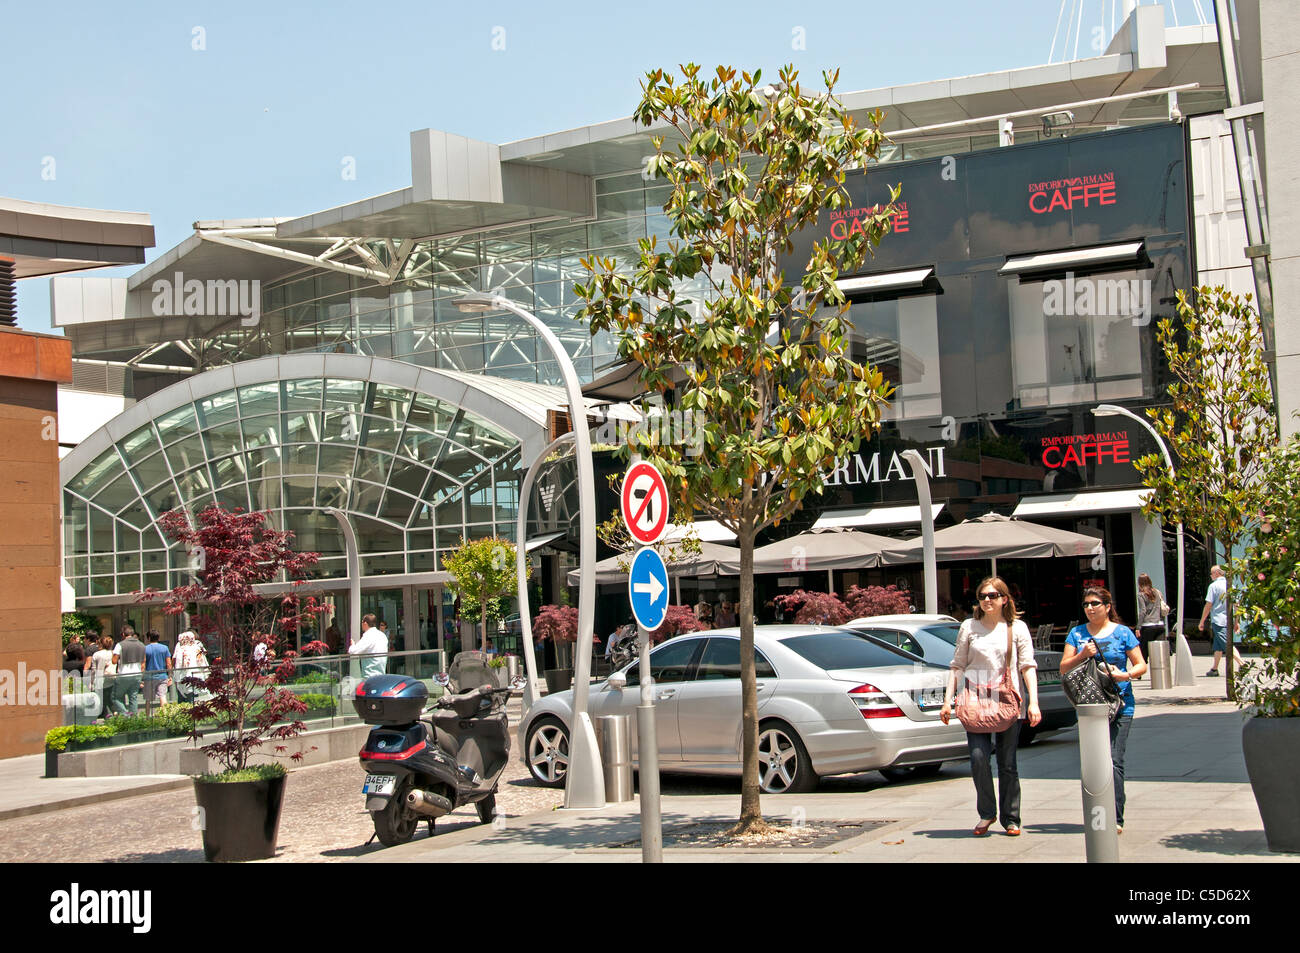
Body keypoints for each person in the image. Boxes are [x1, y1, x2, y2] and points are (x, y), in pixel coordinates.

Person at [940, 576, 1040, 837]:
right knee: (978, 758)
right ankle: (987, 813)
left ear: (1004, 599)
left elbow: (1027, 666)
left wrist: (1034, 702)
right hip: (975, 699)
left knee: (1008, 764)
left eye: (992, 595)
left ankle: (1011, 818)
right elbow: (957, 664)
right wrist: (948, 700)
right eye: (982, 596)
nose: (986, 600)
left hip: (1008, 701)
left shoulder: (1016, 628)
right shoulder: (969, 626)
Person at [1060, 586, 1147, 834]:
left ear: (1107, 606)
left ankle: (1116, 817)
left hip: (1120, 704)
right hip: (1090, 707)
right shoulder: (1076, 634)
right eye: (1086, 604)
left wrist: (1126, 675)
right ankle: (1097, 811)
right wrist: (1081, 655)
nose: (1089, 608)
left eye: (1095, 603)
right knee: (1093, 762)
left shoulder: (1123, 633)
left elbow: (1141, 665)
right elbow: (1064, 668)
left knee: (1114, 760)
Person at [1197, 565, 1241, 676]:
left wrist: (1202, 621)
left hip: (1218, 620)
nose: (1211, 575)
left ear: (1217, 573)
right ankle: (1214, 669)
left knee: (1227, 645)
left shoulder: (1213, 586)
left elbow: (1209, 604)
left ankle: (1243, 664)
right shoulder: (1231, 585)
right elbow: (1237, 606)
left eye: (1211, 573)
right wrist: (1237, 621)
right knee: (1218, 646)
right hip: (1228, 620)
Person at [111, 626, 146, 715]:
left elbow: (114, 661)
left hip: (124, 674)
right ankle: (133, 719)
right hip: (137, 674)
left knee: (115, 697)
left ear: (123, 634)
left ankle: (125, 715)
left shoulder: (120, 644)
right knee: (133, 697)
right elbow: (143, 662)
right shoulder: (141, 644)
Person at [1135, 572, 1170, 656]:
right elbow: (1162, 609)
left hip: (1148, 626)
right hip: (1160, 625)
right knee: (1160, 652)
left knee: (1143, 652)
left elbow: (1143, 611)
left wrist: (1138, 627)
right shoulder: (1157, 592)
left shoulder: (1141, 595)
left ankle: (1143, 667)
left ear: (1139, 583)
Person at [349, 612, 389, 678]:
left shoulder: (368, 636)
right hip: (381, 674)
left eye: (362, 622)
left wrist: (352, 645)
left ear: (365, 623)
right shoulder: (382, 635)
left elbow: (353, 652)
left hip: (370, 676)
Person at [84, 635, 116, 717]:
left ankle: (104, 715)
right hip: (111, 678)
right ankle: (114, 713)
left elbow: (94, 670)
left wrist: (91, 681)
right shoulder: (113, 653)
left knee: (101, 699)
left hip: (99, 679)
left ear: (101, 644)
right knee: (108, 698)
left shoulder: (97, 654)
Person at [171, 631, 207, 701]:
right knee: (193, 696)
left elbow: (178, 663)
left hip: (184, 676)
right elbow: (203, 663)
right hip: (197, 675)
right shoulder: (197, 648)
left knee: (183, 697)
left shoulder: (182, 649)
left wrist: (175, 675)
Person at [143, 630, 172, 706]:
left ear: (149, 638)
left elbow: (143, 664)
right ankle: (164, 715)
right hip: (162, 676)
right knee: (162, 696)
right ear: (158, 638)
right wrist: (170, 675)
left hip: (149, 676)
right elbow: (169, 663)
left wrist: (141, 677)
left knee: (148, 699)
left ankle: (147, 716)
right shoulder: (165, 648)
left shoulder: (145, 649)